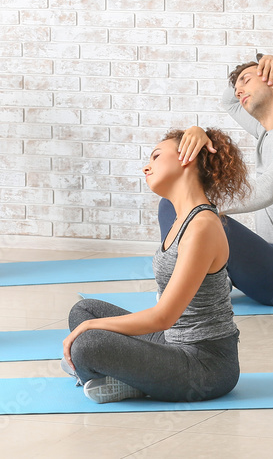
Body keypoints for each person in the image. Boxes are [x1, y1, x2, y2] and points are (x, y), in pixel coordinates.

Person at [63, 128, 248, 404]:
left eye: (156, 156)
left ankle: (126, 378)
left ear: (186, 156)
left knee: (88, 344)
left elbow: (164, 317)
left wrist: (90, 328)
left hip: (206, 365)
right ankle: (130, 377)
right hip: (171, 342)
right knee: (84, 310)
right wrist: (89, 322)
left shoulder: (202, 226)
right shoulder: (180, 218)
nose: (146, 166)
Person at [158, 54, 273, 307]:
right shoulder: (269, 131)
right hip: (272, 263)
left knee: (181, 207)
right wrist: (198, 131)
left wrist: (196, 205)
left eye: (247, 80)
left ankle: (182, 291)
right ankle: (198, 285)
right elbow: (228, 101)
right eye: (238, 85)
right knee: (176, 204)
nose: (239, 90)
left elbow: (266, 191)